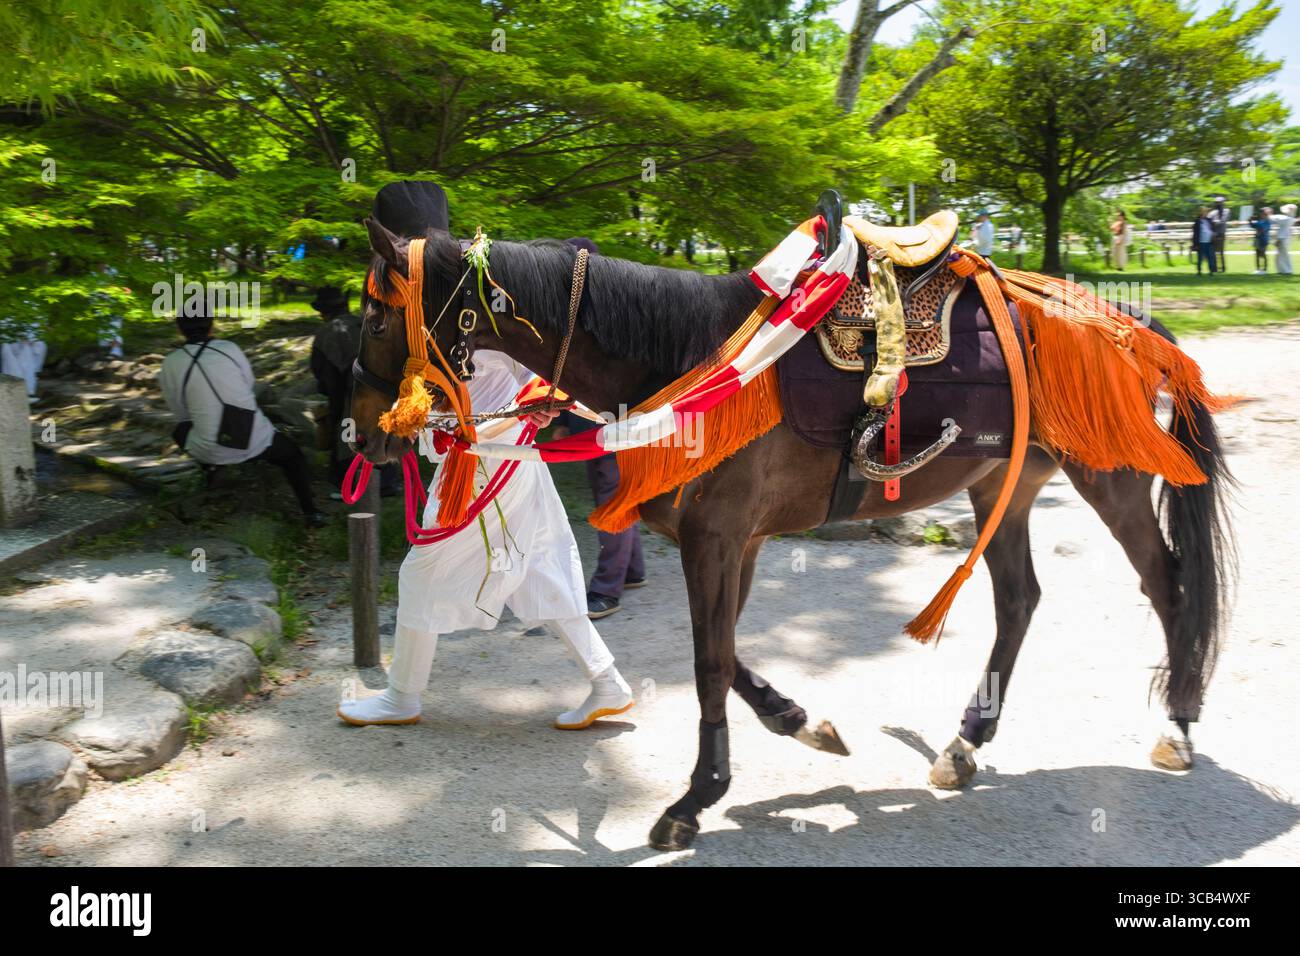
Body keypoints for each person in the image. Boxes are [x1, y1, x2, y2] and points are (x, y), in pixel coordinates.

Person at [337, 182, 633, 732]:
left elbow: (540, 355)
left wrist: (542, 400)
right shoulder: (465, 288)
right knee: (541, 569)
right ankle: (608, 683)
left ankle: (402, 696)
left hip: (485, 460)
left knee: (423, 572)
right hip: (497, 451)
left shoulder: (456, 293)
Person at [159, 306, 327, 526]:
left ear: (180, 330)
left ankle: (211, 468)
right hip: (254, 439)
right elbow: (248, 385)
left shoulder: (170, 363)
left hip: (208, 447)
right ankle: (310, 511)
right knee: (292, 456)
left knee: (180, 430)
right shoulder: (229, 348)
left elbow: (180, 412)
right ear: (211, 326)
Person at [1206, 196, 1231, 273]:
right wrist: (1214, 222)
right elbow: (1208, 221)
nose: (1219, 204)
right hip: (1213, 235)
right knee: (1213, 252)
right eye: (1217, 203)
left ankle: (1222, 268)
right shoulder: (1212, 212)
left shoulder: (1226, 211)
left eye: (1220, 203)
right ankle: (1214, 268)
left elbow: (1222, 221)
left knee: (1220, 252)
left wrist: (1214, 222)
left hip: (1221, 234)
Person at [1270, 204, 1295, 275]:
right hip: (1285, 238)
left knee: (1281, 256)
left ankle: (1285, 271)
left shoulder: (1286, 219)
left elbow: (1272, 218)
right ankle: (1284, 270)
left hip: (1282, 238)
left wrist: (1278, 240)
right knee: (1282, 255)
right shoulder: (1290, 219)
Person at [1192, 206, 1216, 275]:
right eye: (1204, 211)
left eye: (1206, 211)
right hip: (1201, 242)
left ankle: (1211, 271)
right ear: (1201, 212)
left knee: (1210, 257)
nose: (1206, 213)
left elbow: (1212, 229)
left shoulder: (1209, 220)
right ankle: (1199, 271)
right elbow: (1195, 233)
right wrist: (1195, 244)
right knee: (1200, 258)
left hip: (1209, 242)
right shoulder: (1197, 221)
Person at [1250, 208, 1273, 274]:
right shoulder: (1260, 221)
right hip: (1257, 239)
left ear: (1265, 214)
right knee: (1257, 254)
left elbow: (1263, 229)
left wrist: (1258, 228)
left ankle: (1264, 269)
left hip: (1263, 240)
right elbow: (1253, 226)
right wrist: (1250, 220)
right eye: (1261, 213)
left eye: (1263, 213)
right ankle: (1258, 269)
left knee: (1263, 254)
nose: (1261, 214)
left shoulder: (1267, 221)